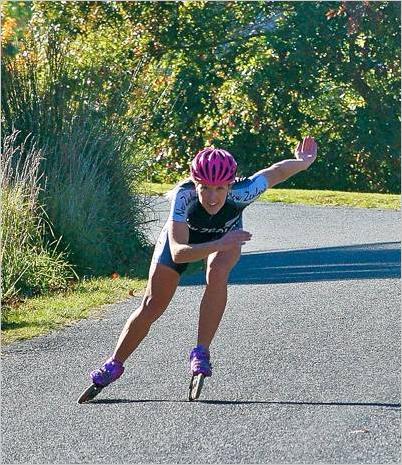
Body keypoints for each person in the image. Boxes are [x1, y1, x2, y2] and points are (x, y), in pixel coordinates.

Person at [88, 136, 318, 390]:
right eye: (205, 188)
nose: (212, 197)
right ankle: (115, 363)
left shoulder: (244, 192)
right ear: (195, 183)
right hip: (187, 241)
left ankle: (201, 352)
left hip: (225, 236)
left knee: (218, 272)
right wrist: (220, 243)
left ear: (230, 185)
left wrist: (303, 162)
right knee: (153, 305)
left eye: (220, 189)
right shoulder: (183, 198)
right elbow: (178, 253)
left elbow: (277, 172)